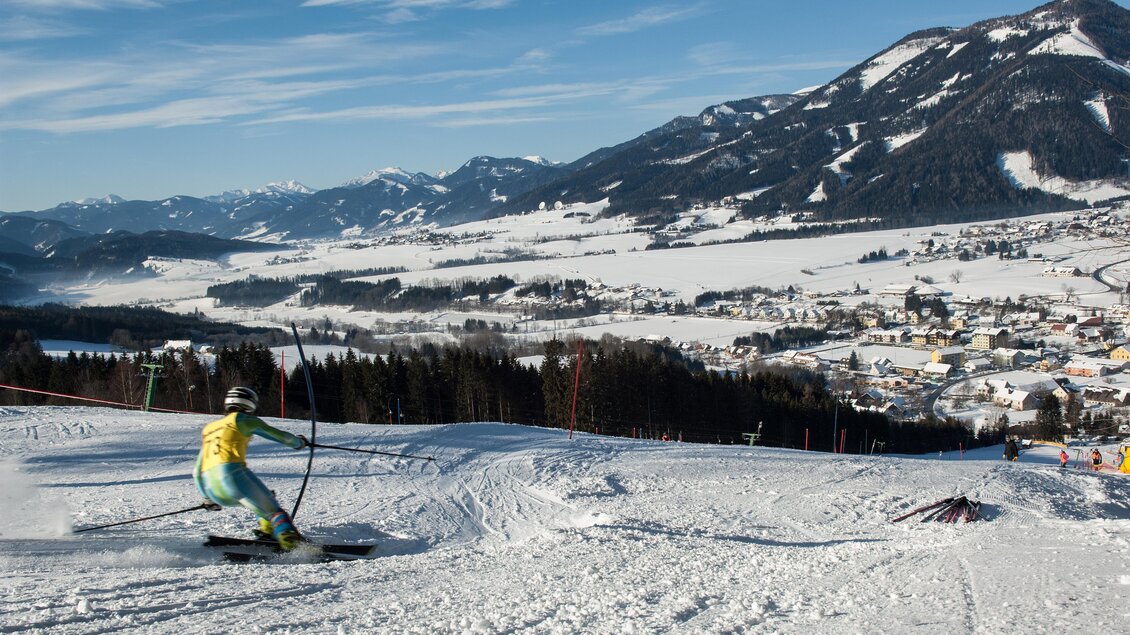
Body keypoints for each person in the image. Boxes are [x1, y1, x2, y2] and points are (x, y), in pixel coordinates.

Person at [194, 387, 308, 550]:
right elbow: (280, 436)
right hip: (232, 477)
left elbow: (197, 471)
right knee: (274, 511)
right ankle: (293, 545)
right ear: (250, 404)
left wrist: (207, 498)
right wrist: (299, 443)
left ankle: (268, 533)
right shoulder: (242, 420)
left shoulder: (209, 429)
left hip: (212, 487)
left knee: (263, 498)